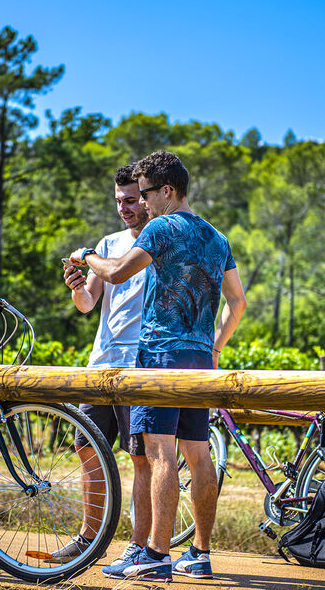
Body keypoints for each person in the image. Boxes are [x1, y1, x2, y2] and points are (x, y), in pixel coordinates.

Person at [70, 150, 247, 582]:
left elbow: (114, 273)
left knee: (160, 454)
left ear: (167, 191)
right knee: (199, 455)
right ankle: (200, 555)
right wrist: (215, 347)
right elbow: (238, 302)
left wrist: (86, 255)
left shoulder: (161, 227)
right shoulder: (216, 237)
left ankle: (155, 555)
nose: (142, 203)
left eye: (146, 193)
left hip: (159, 355)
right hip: (199, 358)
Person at [49, 164, 153, 566]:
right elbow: (88, 305)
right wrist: (77, 287)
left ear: (145, 198)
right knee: (85, 449)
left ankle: (139, 544)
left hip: (138, 366)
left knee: (140, 457)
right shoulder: (107, 243)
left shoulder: (156, 241)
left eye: (131, 200)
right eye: (118, 201)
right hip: (100, 364)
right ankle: (88, 540)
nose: (124, 208)